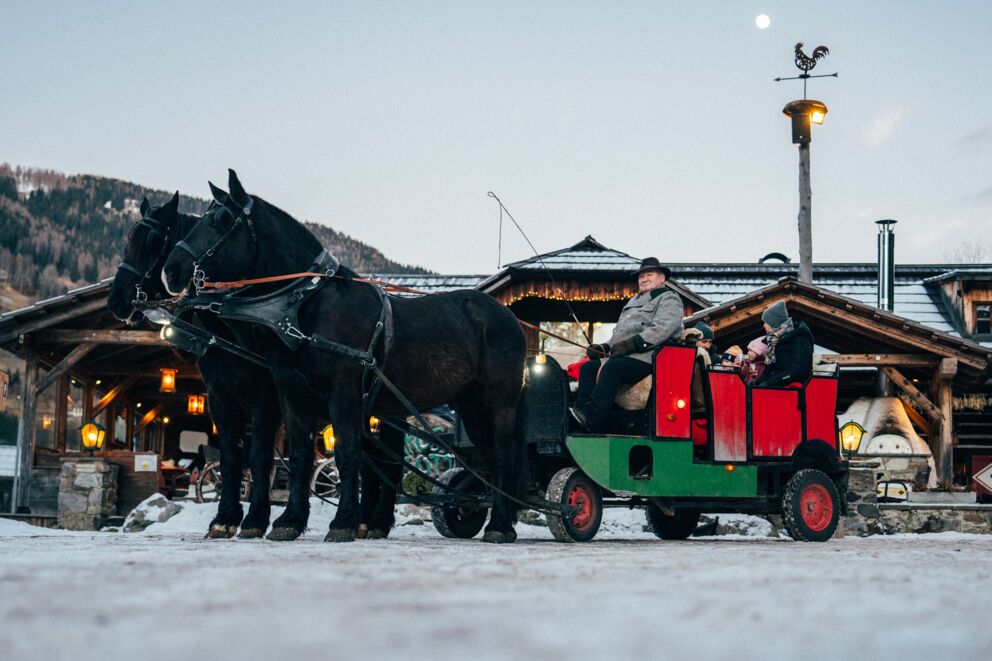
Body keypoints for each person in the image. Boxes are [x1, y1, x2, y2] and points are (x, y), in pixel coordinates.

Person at [573, 257, 684, 432]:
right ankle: (580, 416)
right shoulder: (632, 302)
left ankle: (591, 417)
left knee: (613, 368)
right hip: (625, 356)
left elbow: (662, 329)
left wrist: (632, 344)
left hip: (649, 357)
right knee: (588, 368)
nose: (644, 279)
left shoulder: (669, 299)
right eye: (641, 276)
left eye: (649, 275)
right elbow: (619, 334)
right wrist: (604, 347)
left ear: (662, 278)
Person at [752, 301, 814, 387]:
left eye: (766, 322)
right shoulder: (775, 340)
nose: (764, 326)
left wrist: (769, 383)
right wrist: (756, 383)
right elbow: (769, 369)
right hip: (777, 386)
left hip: (792, 388)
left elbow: (797, 370)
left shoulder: (800, 339)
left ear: (773, 323)